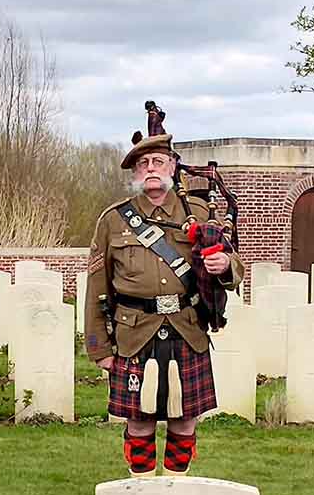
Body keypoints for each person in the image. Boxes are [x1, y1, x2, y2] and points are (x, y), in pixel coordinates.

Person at [84, 130, 244, 477]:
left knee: (185, 419)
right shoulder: (113, 220)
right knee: (138, 420)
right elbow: (97, 286)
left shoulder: (199, 212)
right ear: (135, 174)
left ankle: (176, 487)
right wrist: (100, 348)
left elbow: (236, 268)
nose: (151, 168)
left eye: (158, 161)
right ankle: (140, 488)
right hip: (133, 333)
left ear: (172, 166)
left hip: (187, 329)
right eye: (143, 163)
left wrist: (225, 267)